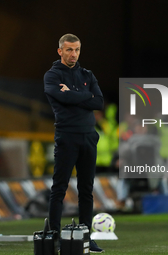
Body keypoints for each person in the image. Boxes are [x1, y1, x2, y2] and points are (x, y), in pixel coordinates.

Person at [44, 34, 104, 253]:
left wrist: (73, 94)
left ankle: (86, 237)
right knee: (59, 187)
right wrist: (85, 97)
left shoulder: (87, 74)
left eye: (77, 50)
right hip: (67, 136)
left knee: (86, 190)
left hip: (88, 136)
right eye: (69, 50)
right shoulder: (52, 76)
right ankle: (55, 236)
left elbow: (98, 102)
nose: (73, 54)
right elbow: (70, 100)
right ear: (59, 51)